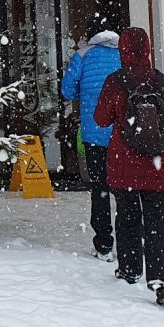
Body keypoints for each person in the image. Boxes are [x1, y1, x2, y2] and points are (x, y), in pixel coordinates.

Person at [93, 26, 164, 306]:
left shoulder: (115, 81)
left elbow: (101, 119)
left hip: (124, 161)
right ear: (148, 49)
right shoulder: (161, 81)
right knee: (158, 221)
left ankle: (129, 270)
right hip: (157, 161)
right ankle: (161, 279)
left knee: (127, 217)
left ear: (123, 50)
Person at [61, 30, 121, 258]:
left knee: (100, 189)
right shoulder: (124, 54)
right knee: (125, 190)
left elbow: (67, 91)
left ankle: (104, 244)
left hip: (94, 132)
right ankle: (129, 241)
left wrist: (84, 91)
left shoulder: (83, 54)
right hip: (122, 134)